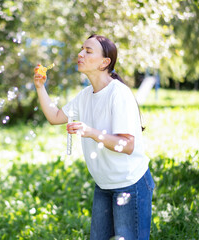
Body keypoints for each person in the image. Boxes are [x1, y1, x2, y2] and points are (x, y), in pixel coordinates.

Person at [33, 34, 155, 239]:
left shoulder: (119, 94)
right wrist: (39, 87)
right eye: (81, 49)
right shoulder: (85, 95)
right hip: (104, 185)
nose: (80, 54)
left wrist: (91, 132)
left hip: (130, 184)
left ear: (104, 62)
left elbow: (127, 144)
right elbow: (55, 117)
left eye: (88, 51)